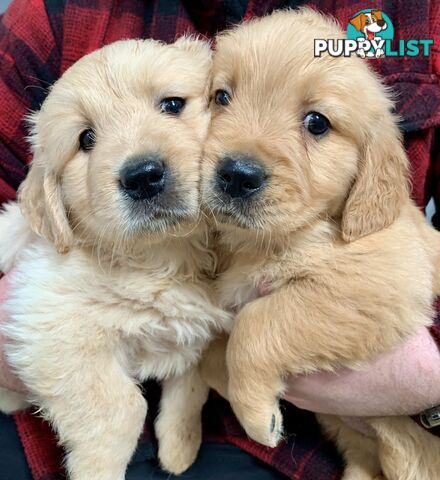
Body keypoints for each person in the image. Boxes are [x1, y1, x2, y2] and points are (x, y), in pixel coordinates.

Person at [0, 1, 439, 479]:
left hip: (307, 443)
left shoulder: (420, 16)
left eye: (173, 106)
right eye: (224, 98)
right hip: (56, 405)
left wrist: (428, 382)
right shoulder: (52, 16)